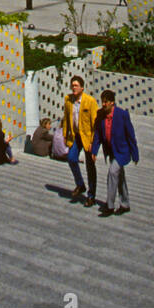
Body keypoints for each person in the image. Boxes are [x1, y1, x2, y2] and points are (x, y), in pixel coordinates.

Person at [90, 90, 139, 216]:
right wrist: (94, 151)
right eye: (102, 102)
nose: (104, 104)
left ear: (112, 102)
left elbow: (130, 135)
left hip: (122, 151)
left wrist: (135, 154)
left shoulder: (122, 115)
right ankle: (125, 204)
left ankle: (109, 205)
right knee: (119, 177)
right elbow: (97, 135)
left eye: (106, 102)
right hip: (111, 151)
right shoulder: (100, 114)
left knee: (112, 173)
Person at [62, 74, 99, 208]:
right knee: (71, 158)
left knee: (90, 167)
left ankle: (91, 196)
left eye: (76, 85)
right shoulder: (68, 100)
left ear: (82, 88)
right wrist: (65, 135)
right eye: (72, 85)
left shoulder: (90, 101)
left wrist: (93, 143)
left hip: (88, 138)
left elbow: (95, 123)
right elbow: (66, 118)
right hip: (76, 136)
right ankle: (80, 184)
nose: (73, 87)